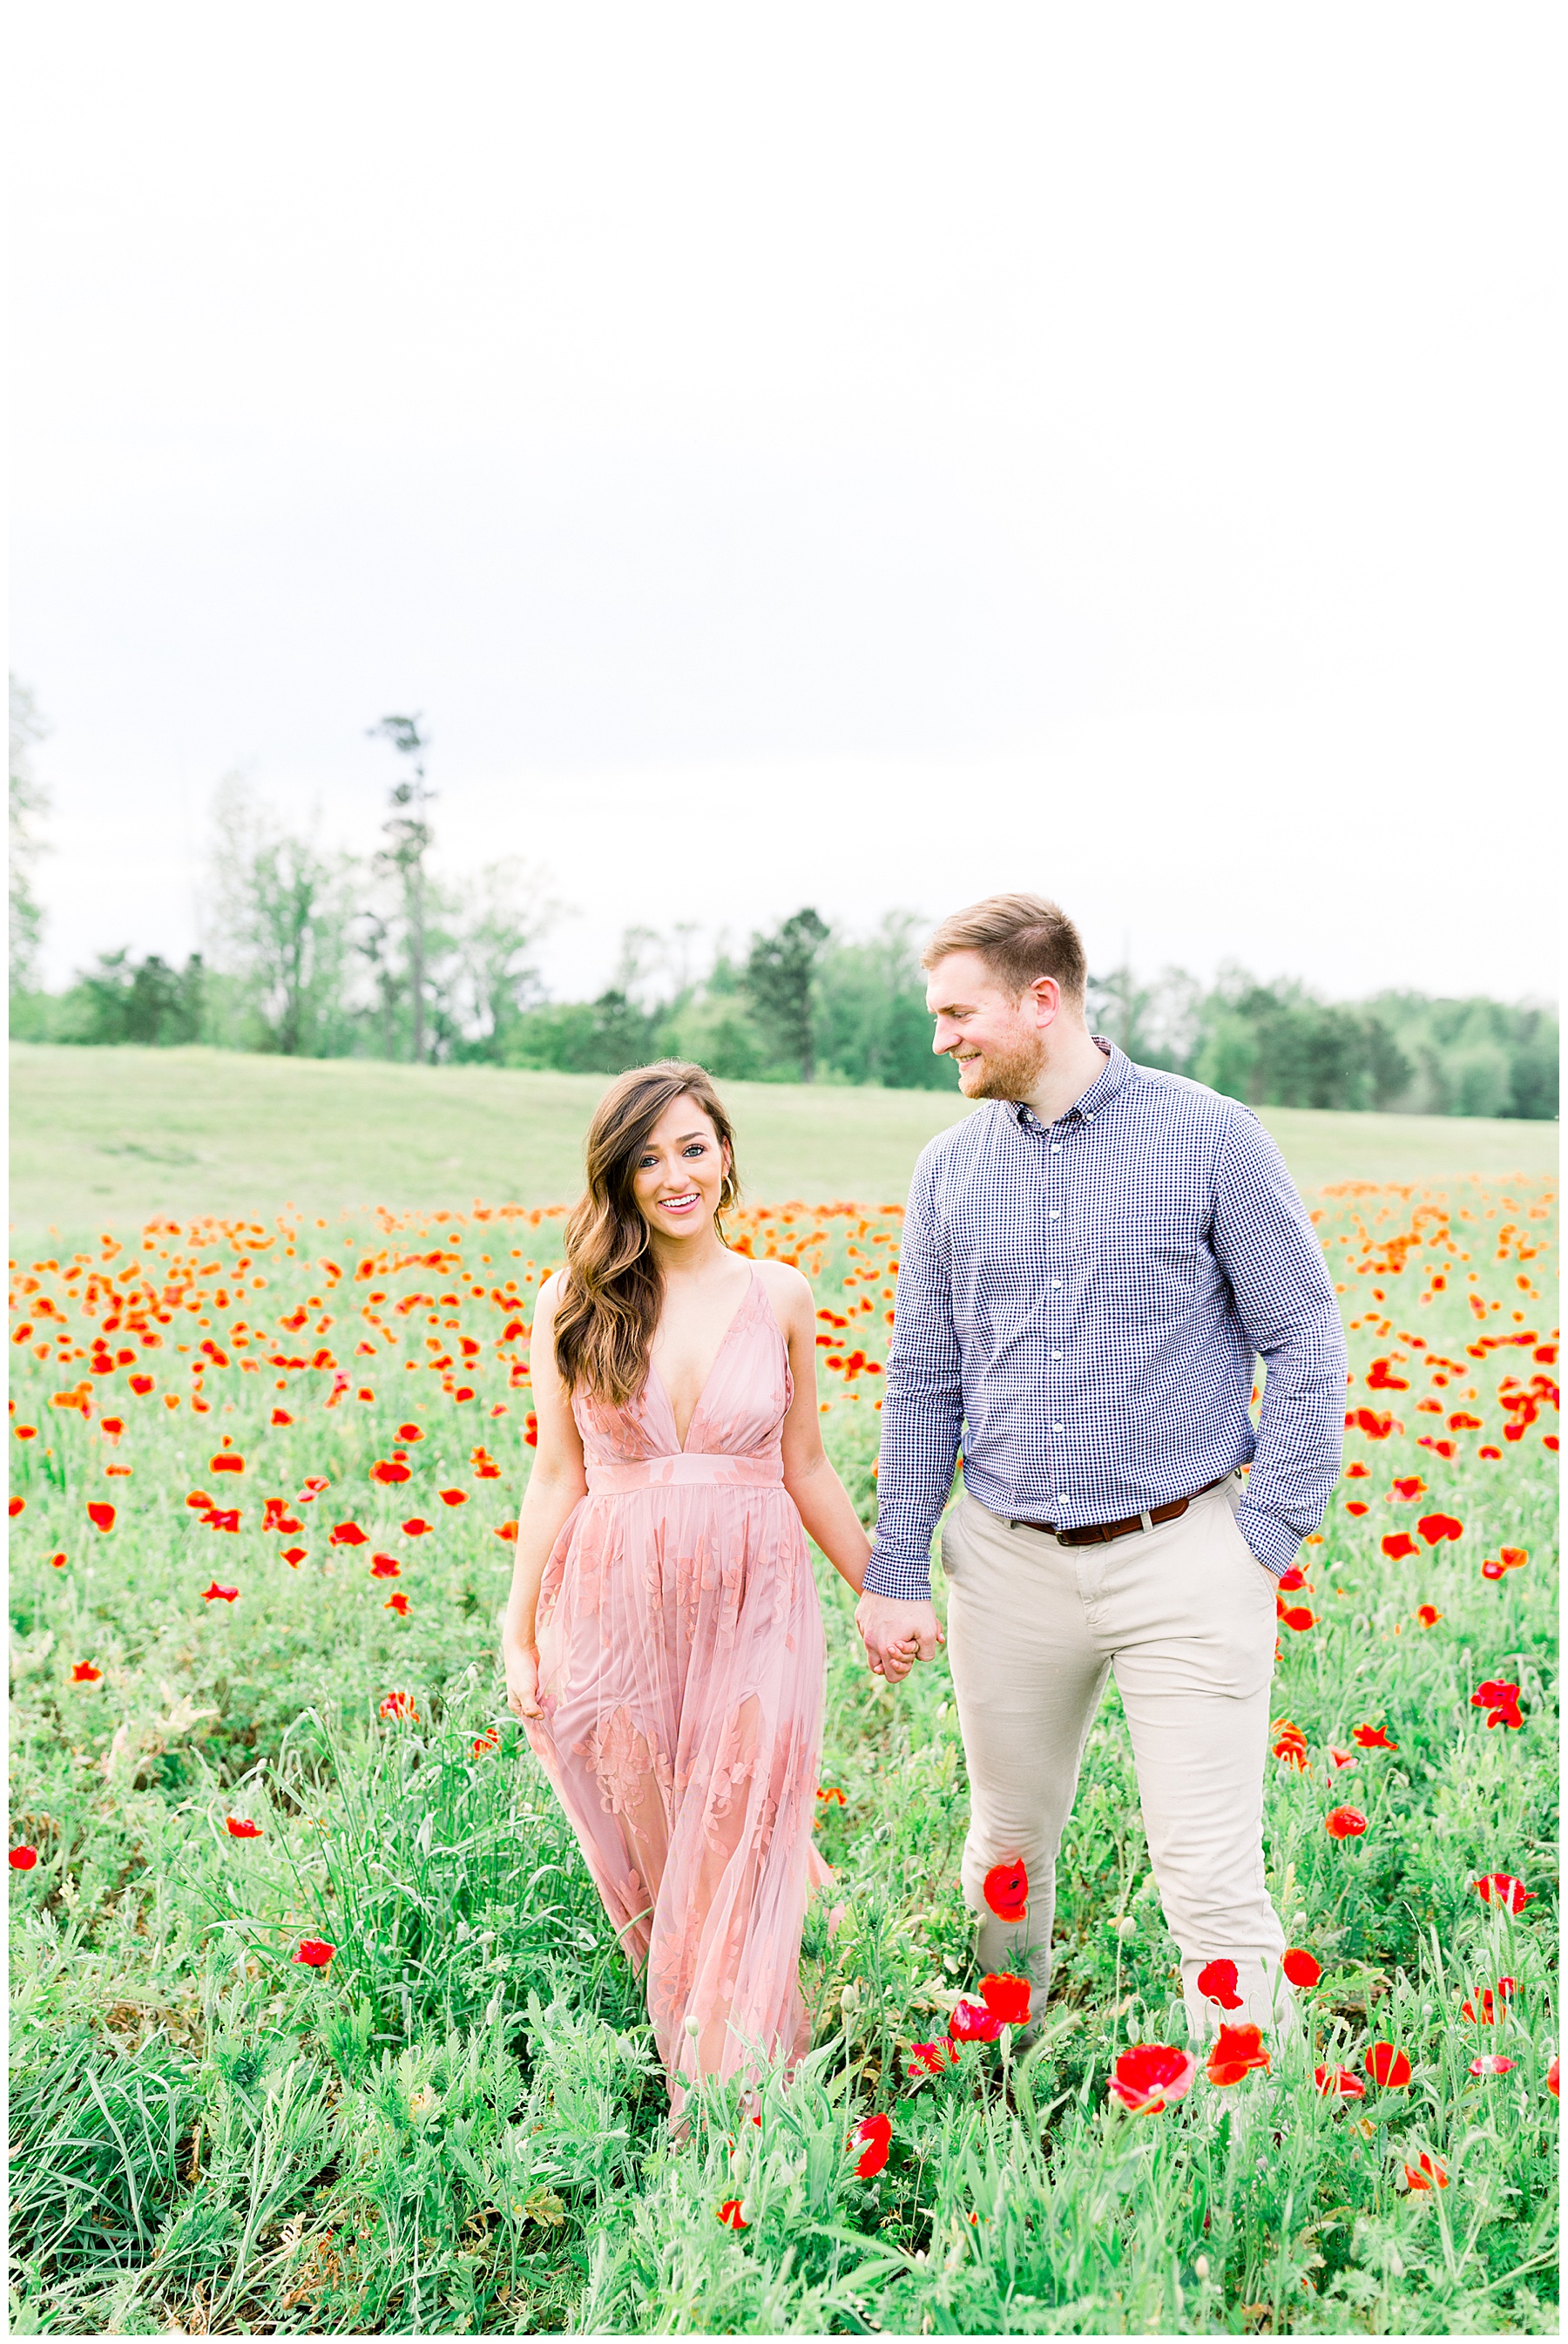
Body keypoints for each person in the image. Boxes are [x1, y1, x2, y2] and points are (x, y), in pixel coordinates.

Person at [855, 893, 1346, 2044]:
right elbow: (924, 1379)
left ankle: (1246, 2143)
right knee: (1003, 1852)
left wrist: (1261, 1534)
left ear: (1043, 997)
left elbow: (1306, 1330)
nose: (943, 1038)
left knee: (1209, 1876)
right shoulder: (948, 1170)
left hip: (1186, 1555)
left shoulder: (1212, 1135)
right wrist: (897, 1567)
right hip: (1009, 1563)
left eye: (957, 1011)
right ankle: (1001, 2075)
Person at [501, 1060, 879, 2117]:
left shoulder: (781, 1294)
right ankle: (705, 2045)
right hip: (616, 1608)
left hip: (758, 1603)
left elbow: (806, 1464)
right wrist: (518, 1624)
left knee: (746, 1818)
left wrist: (880, 1590)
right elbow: (556, 1473)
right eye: (649, 1156)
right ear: (618, 1175)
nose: (675, 1174)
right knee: (664, 1840)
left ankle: (734, 2103)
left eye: (693, 1147)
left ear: (725, 1154)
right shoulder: (576, 1300)